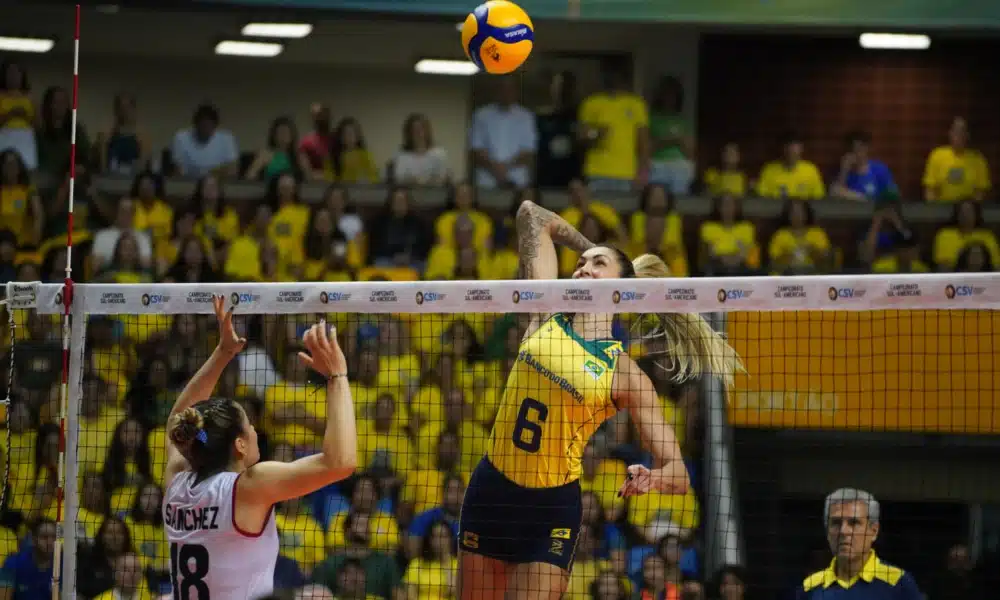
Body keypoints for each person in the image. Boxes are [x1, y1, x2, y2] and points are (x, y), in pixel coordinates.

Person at [457, 200, 742, 600]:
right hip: (491, 491)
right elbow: (530, 214)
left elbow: (678, 474)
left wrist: (654, 477)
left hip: (550, 508)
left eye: (597, 263)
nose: (583, 267)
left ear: (620, 290)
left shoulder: (625, 373)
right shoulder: (545, 311)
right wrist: (592, 250)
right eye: (580, 263)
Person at [162, 295, 357, 599]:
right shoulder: (247, 487)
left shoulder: (177, 480)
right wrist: (337, 376)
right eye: (249, 425)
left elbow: (180, 421)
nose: (256, 429)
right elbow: (341, 462)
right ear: (240, 444)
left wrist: (224, 352)